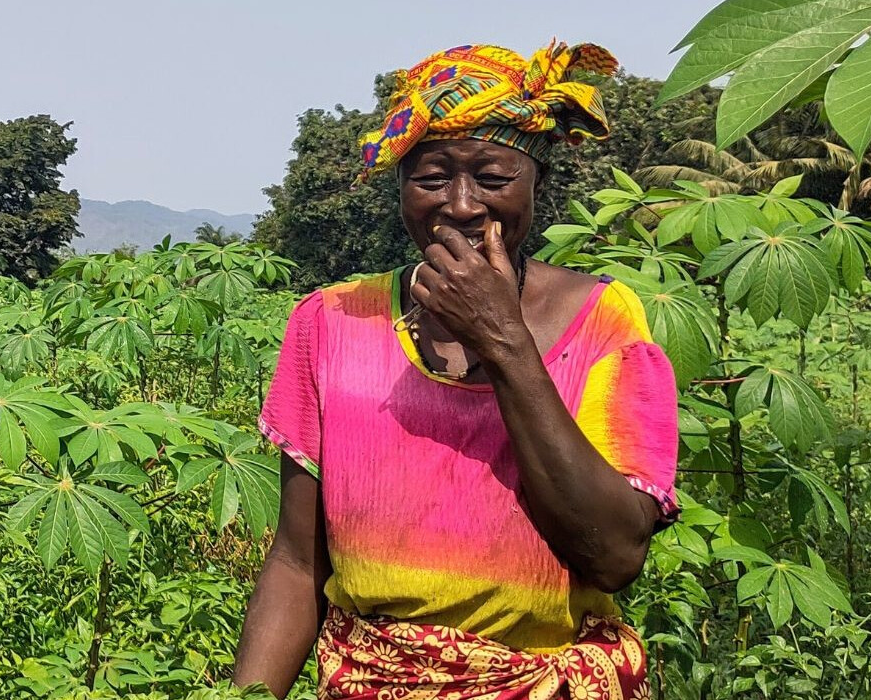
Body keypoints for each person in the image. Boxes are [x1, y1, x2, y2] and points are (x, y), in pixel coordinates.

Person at [232, 42, 677, 699]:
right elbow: (298, 565)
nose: (462, 205)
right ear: (402, 186)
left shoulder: (603, 322)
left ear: (537, 184)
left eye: (492, 178)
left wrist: (503, 342)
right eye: (432, 177)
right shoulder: (328, 324)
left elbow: (614, 555)